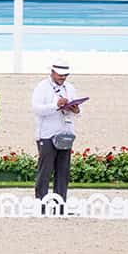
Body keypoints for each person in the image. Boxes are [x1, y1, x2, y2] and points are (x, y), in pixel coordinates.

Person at [31, 62, 84, 212]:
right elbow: (36, 109)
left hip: (65, 133)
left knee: (63, 170)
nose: (63, 77)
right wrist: (56, 105)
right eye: (60, 74)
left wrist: (76, 109)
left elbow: (80, 113)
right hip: (47, 134)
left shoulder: (70, 88)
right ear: (52, 72)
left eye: (65, 75)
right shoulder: (42, 87)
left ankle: (60, 204)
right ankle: (40, 203)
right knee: (45, 170)